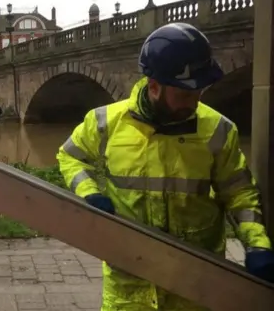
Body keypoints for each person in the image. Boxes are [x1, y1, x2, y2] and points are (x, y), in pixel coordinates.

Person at [57, 22, 274, 310]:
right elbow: (69, 156)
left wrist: (257, 244)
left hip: (196, 285)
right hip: (129, 287)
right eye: (184, 95)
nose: (195, 101)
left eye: (199, 91)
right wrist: (89, 193)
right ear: (155, 87)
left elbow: (239, 194)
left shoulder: (219, 130)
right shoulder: (105, 122)